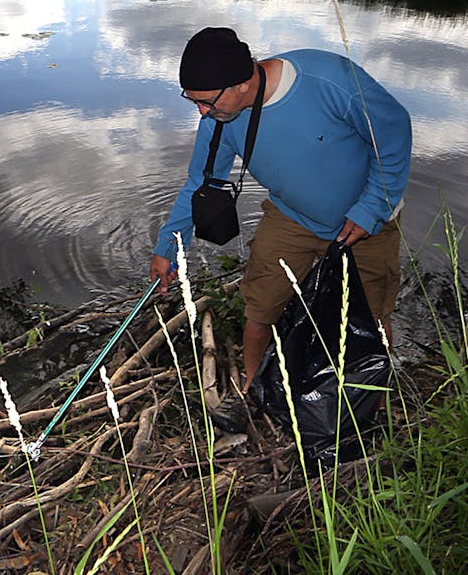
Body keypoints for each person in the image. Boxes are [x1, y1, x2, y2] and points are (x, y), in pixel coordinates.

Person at [150, 26, 412, 397]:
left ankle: (373, 393)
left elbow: (394, 131)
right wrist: (167, 247)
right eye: (193, 101)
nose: (201, 112)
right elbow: (201, 183)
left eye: (206, 101)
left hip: (366, 224)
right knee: (259, 307)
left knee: (370, 316)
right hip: (291, 218)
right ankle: (255, 386)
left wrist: (373, 207)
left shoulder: (328, 79)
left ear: (242, 83)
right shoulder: (220, 118)